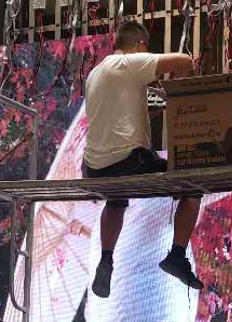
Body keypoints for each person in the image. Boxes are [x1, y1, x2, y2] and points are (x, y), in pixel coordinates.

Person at [83, 20, 204, 298]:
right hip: (129, 163)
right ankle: (176, 256)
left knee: (116, 200)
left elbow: (112, 118)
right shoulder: (129, 63)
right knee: (194, 183)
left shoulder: (95, 73)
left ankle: (106, 259)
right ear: (141, 46)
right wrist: (177, 95)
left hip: (94, 169)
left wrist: (146, 111)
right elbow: (184, 61)